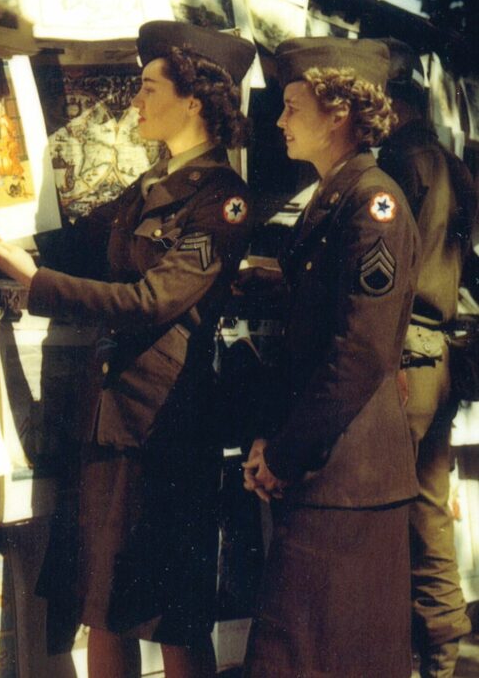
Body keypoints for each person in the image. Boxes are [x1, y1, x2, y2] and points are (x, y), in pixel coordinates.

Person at [0, 20, 256, 678]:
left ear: (193, 100)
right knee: (105, 603)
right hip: (110, 415)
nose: (135, 101)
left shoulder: (223, 200)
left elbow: (149, 300)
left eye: (148, 87)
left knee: (169, 611)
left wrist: (35, 281)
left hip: (168, 424)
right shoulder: (145, 189)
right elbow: (92, 261)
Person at [241, 36, 420, 678]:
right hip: (328, 472)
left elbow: (360, 352)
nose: (281, 120)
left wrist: (285, 454)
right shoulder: (331, 197)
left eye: (292, 105)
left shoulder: (374, 204)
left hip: (345, 478)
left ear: (338, 110)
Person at [378, 39, 476, 678]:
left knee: (392, 507)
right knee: (426, 505)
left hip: (405, 358)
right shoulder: (451, 165)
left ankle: (421, 657)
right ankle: (440, 653)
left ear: (387, 104)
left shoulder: (398, 165)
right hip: (441, 352)